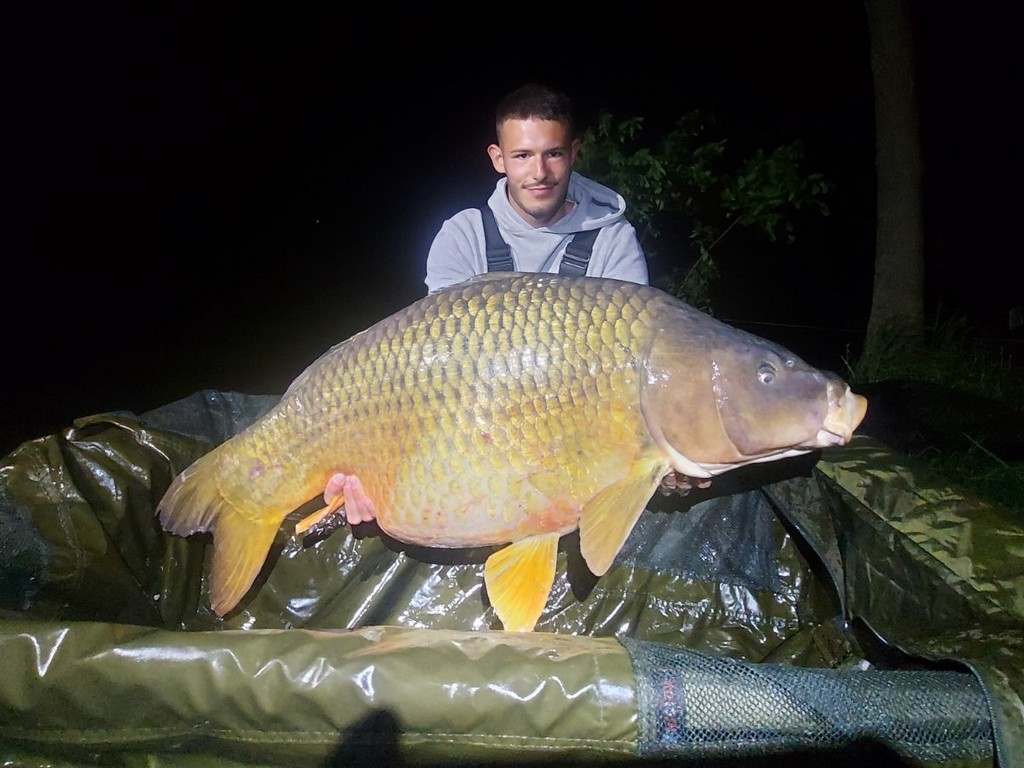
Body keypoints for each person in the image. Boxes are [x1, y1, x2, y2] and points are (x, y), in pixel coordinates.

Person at [424, 83, 649, 293]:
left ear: (573, 153)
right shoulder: (462, 238)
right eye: (523, 155)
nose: (540, 173)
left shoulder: (613, 241)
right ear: (499, 159)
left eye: (553, 154)